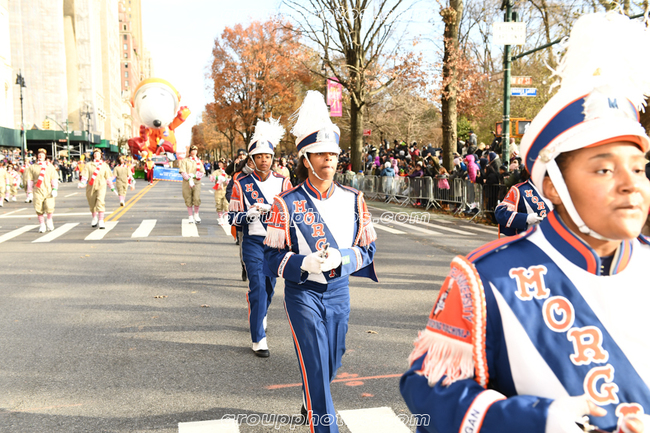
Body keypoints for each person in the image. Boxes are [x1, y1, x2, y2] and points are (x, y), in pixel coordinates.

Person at [401, 11, 650, 433]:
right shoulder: (484, 278)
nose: (630, 185)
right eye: (604, 170)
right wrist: (533, 421)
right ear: (553, 185)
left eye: (639, 167)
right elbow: (428, 392)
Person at [264, 91, 377, 432]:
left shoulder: (354, 199)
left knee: (331, 362)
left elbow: (368, 251)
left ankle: (310, 398)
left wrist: (341, 258)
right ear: (306, 158)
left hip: (339, 292)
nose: (329, 158)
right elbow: (271, 259)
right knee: (314, 365)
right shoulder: (285, 203)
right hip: (304, 294)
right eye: (320, 153)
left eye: (333, 153)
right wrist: (303, 263)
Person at [228, 117, 291, 358]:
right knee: (257, 288)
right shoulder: (241, 183)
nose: (264, 160)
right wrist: (249, 214)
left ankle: (260, 312)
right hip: (253, 242)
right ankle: (258, 339)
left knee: (270, 288)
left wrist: (273, 211)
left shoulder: (283, 181)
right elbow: (232, 218)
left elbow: (291, 212)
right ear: (251, 159)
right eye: (259, 156)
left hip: (276, 244)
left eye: (268, 156)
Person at [78, 148, 116, 229]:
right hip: (91, 187)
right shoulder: (89, 165)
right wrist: (82, 183)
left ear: (101, 155)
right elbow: (85, 176)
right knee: (92, 204)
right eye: (95, 154)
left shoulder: (104, 165)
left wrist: (112, 187)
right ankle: (94, 218)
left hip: (101, 186)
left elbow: (108, 178)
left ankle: (101, 220)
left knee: (100, 202)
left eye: (98, 154)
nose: (96, 155)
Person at [25, 148, 58, 232]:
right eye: (39, 155)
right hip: (37, 190)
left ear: (45, 156)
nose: (40, 156)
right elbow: (30, 180)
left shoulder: (49, 166)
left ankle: (49, 221)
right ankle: (42, 225)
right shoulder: (32, 167)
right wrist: (29, 192)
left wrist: (54, 189)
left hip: (48, 189)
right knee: (38, 208)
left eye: (42, 155)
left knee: (49, 207)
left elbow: (53, 178)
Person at [178, 145, 206, 224]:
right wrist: (189, 178)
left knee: (196, 198)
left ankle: (196, 214)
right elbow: (182, 171)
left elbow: (202, 171)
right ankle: (190, 216)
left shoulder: (198, 161)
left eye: (195, 150)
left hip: (196, 181)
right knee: (188, 198)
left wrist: (194, 176)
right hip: (187, 182)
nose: (194, 152)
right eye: (193, 150)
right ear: (190, 151)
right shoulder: (185, 160)